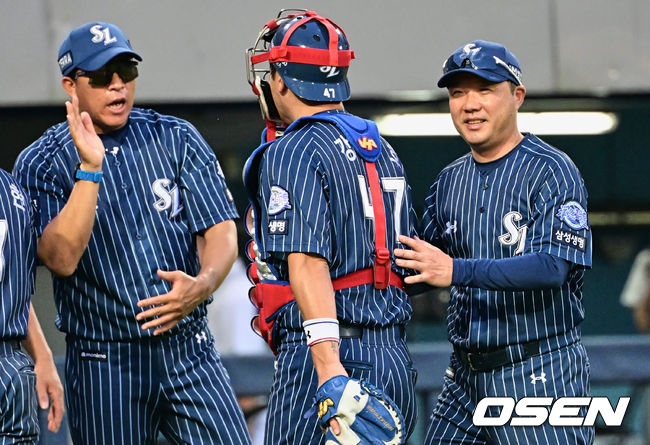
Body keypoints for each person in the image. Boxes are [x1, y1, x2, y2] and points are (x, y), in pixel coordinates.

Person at [13, 21, 250, 445]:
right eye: (103, 77)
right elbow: (60, 258)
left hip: (187, 348)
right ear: (71, 85)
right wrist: (90, 169)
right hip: (105, 358)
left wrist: (204, 283)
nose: (118, 86)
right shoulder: (42, 161)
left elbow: (221, 229)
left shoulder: (175, 137)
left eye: (127, 72)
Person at [394, 40, 593, 444]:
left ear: (516, 96)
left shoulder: (552, 170)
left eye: (485, 89)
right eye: (458, 93)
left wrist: (455, 270)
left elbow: (551, 268)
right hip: (464, 377)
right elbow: (416, 268)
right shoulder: (449, 181)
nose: (470, 104)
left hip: (538, 369)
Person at [243, 10, 418, 444]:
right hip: (392, 356)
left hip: (331, 359)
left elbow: (307, 261)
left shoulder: (293, 148)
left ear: (281, 80)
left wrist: (329, 370)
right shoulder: (380, 147)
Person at [0, 163, 64, 441]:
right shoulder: (10, 188)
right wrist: (41, 354)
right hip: (11, 369)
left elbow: (13, 289)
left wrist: (43, 355)